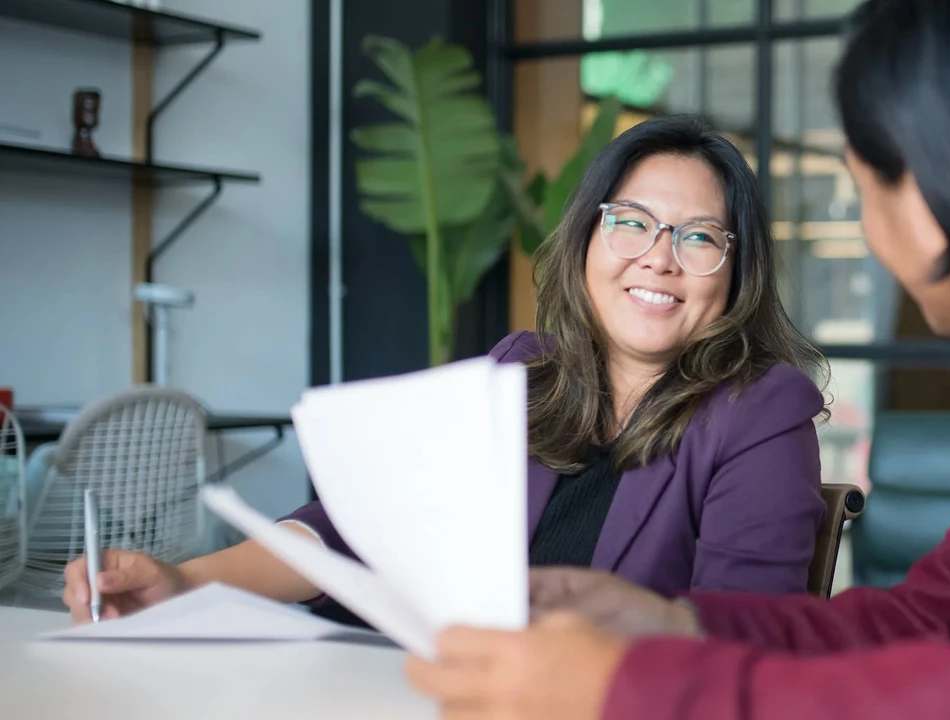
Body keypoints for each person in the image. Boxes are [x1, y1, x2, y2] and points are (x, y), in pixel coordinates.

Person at [402, 1, 950, 718]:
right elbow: (936, 616)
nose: (867, 226)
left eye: (862, 187)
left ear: (938, 181)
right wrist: (676, 625)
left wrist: (627, 686)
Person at [61, 117, 832, 623]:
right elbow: (349, 529)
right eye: (630, 222)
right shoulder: (521, 373)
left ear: (736, 273)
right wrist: (186, 586)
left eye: (699, 238)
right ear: (587, 240)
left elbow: (745, 633)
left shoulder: (762, 411)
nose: (657, 257)